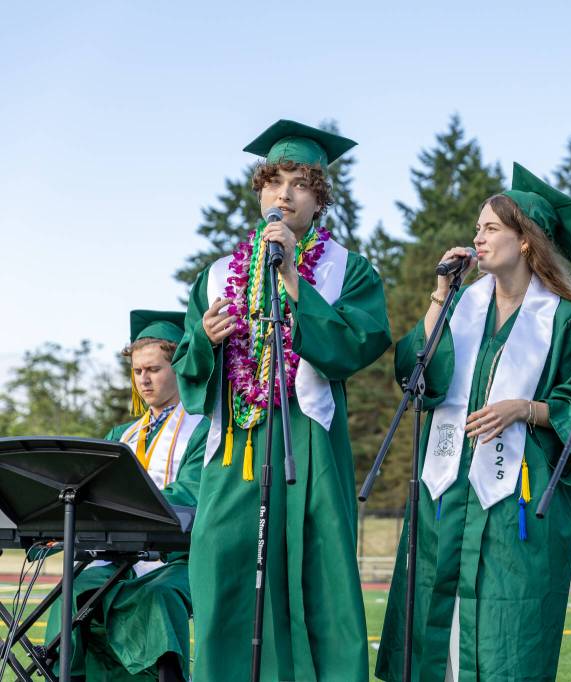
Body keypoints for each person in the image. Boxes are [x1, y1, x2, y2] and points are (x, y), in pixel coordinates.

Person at [173, 120, 392, 681]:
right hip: (235, 445)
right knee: (223, 564)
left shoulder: (349, 269)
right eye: (274, 182)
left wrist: (296, 279)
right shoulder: (220, 273)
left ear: (320, 198)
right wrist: (205, 338)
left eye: (299, 184)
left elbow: (358, 342)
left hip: (307, 440)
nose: (284, 194)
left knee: (314, 571)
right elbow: (188, 366)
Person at [375, 163, 571, 682]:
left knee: (507, 637)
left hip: (517, 505)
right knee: (435, 626)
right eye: (477, 228)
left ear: (526, 241)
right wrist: (439, 293)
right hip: (445, 496)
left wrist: (524, 408)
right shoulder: (460, 306)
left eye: (491, 228)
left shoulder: (564, 319)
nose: (477, 238)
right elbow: (416, 377)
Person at [44, 310, 208, 682]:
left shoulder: (205, 430)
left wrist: (128, 508)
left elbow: (191, 492)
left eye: (154, 369)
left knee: (156, 596)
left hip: (178, 558)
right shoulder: (121, 434)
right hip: (119, 557)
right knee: (74, 588)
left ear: (180, 367)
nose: (144, 379)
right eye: (137, 371)